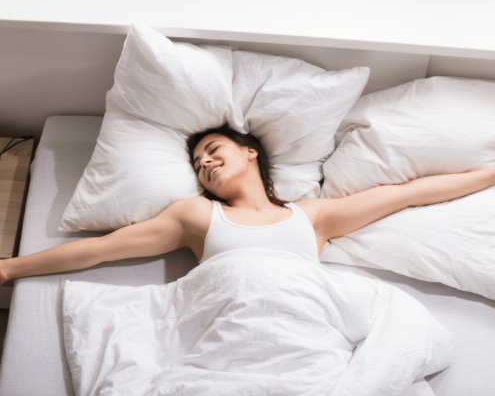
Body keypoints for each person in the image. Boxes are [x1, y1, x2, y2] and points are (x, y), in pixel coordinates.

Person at [1, 124, 494, 285]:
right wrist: (8, 270)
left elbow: (412, 192)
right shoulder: (194, 215)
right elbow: (100, 250)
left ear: (251, 152)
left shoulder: (314, 214)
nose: (205, 164)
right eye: (198, 164)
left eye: (214, 151)